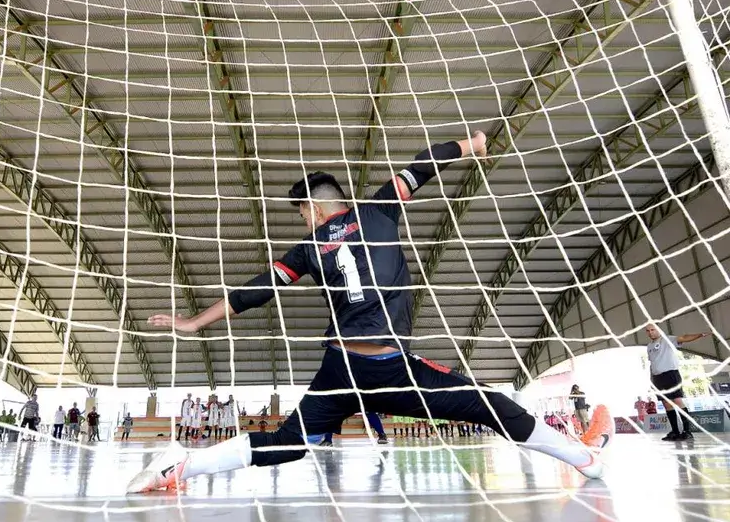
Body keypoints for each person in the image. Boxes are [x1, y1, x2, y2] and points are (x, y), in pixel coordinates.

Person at [128, 132, 612, 494]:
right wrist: (472, 143)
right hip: (386, 366)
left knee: (289, 442)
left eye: (300, 213)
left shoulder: (309, 247)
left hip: (341, 367)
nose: (302, 220)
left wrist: (192, 322)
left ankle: (181, 466)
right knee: (491, 405)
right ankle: (585, 459)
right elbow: (422, 166)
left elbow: (256, 292)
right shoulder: (378, 208)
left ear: (314, 211)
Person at [646, 324, 709, 441]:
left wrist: (700, 335)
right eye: (648, 331)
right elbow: (652, 363)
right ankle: (675, 432)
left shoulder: (667, 339)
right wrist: (652, 381)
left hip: (671, 374)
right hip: (657, 378)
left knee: (677, 401)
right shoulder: (649, 346)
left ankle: (687, 431)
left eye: (653, 329)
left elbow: (684, 338)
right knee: (666, 404)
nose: (650, 332)